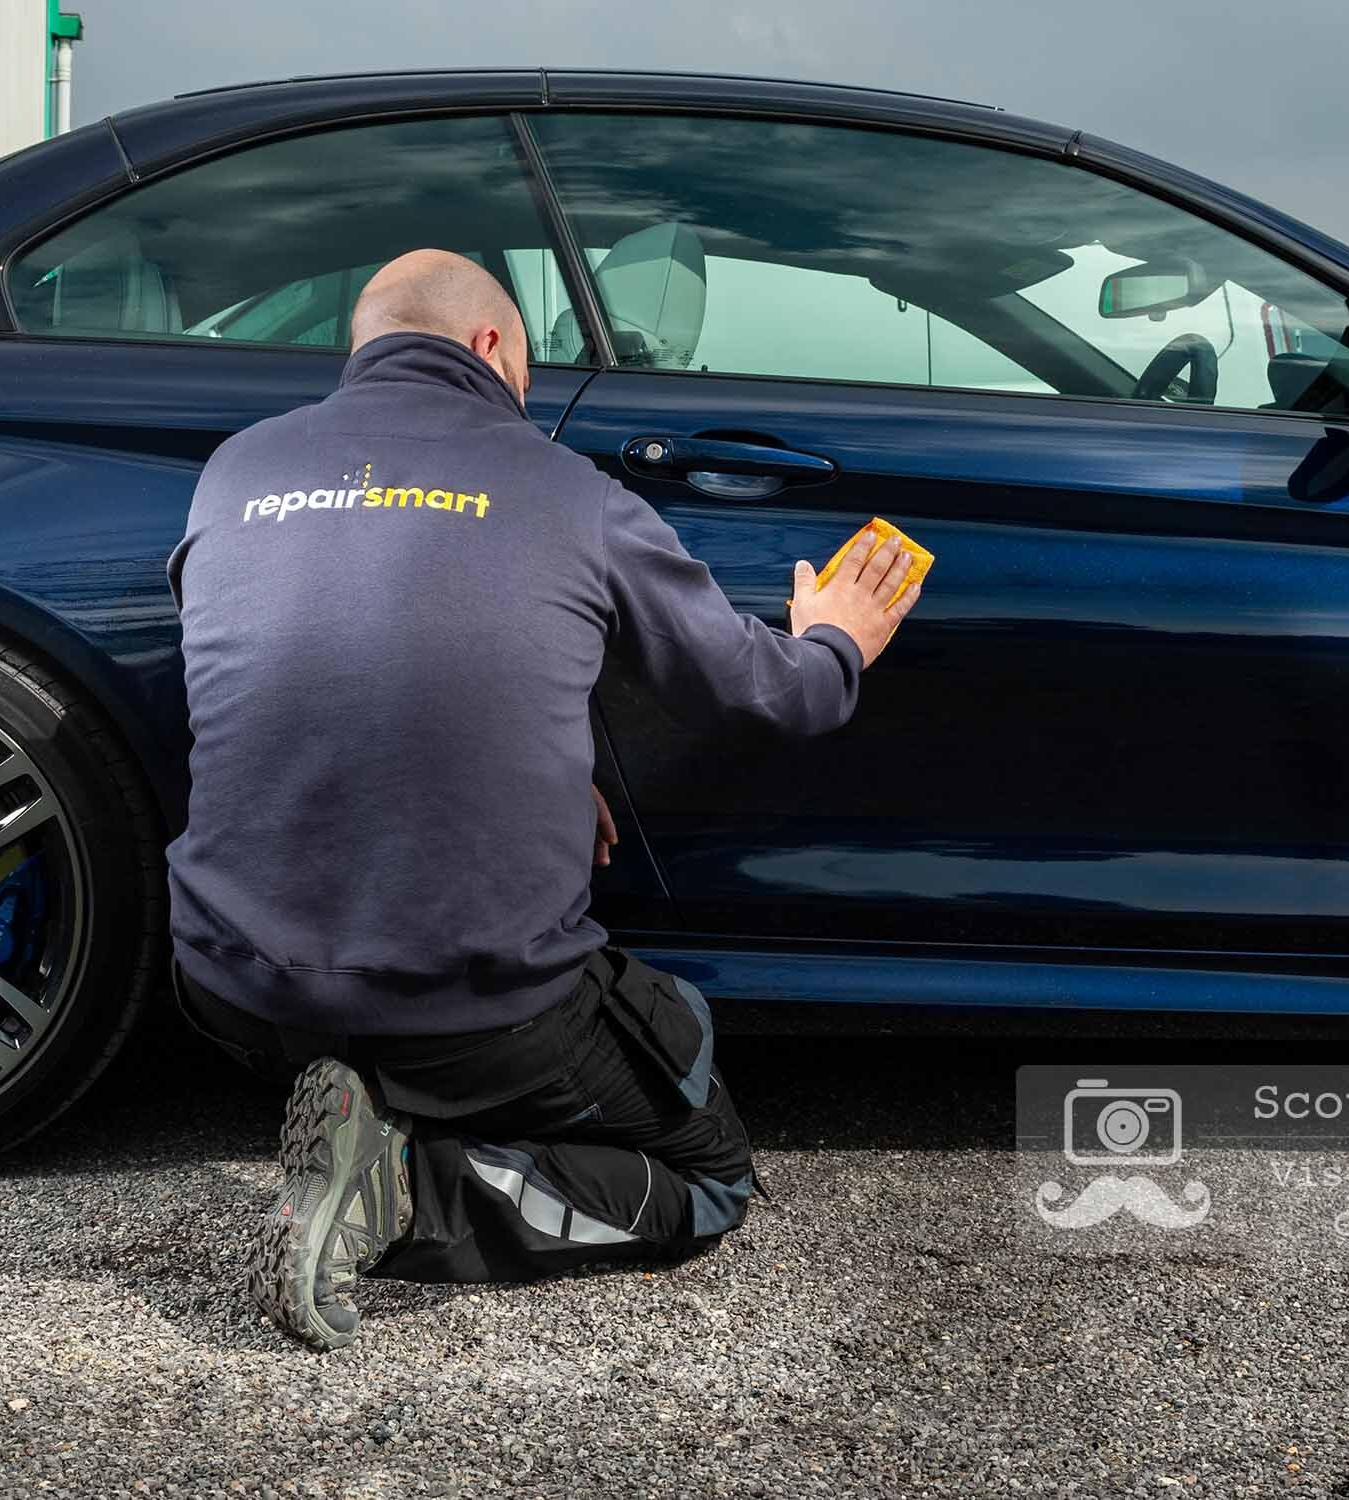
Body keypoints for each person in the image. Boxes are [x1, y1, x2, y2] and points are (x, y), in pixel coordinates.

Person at [164, 248, 921, 1350]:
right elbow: (778, 699)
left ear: (368, 346)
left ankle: (362, 1100)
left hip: (229, 990)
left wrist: (545, 776)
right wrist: (840, 641)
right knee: (702, 1176)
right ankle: (403, 1196)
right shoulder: (570, 492)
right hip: (469, 1009)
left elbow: (313, 671)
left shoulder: (234, 470)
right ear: (489, 348)